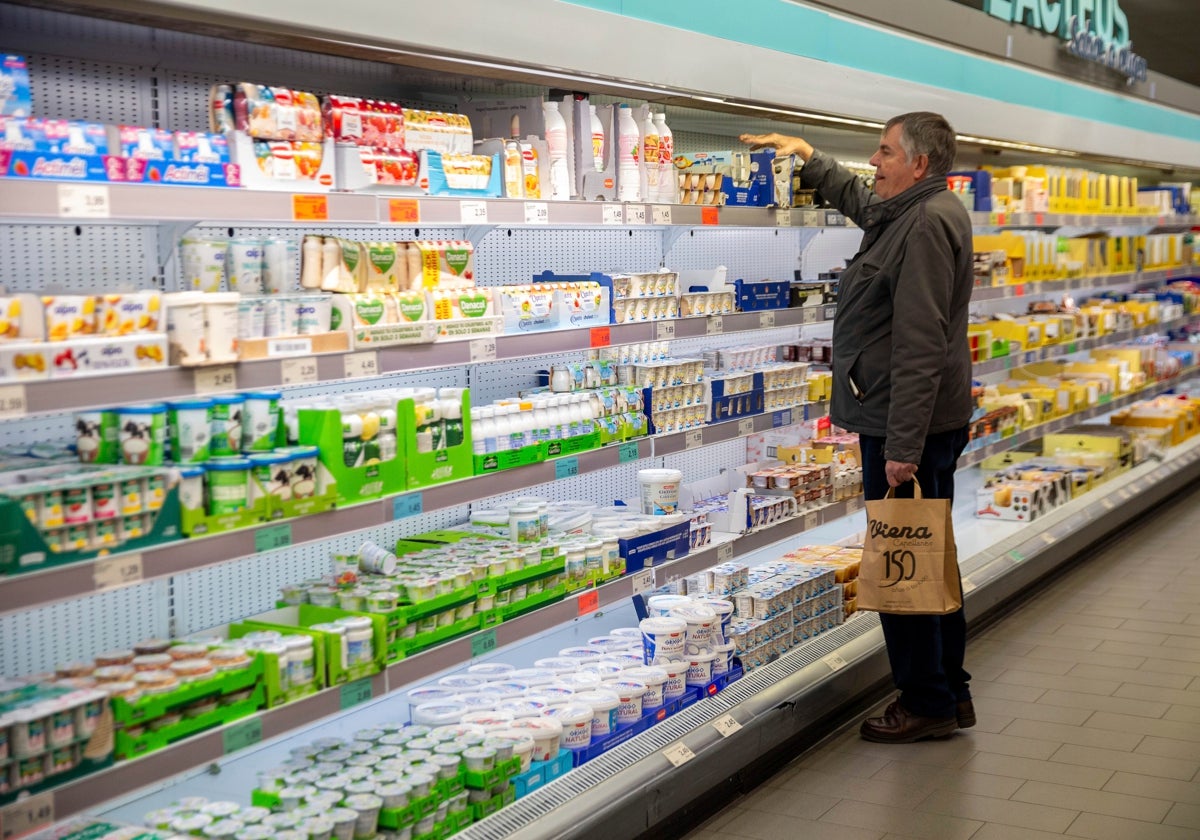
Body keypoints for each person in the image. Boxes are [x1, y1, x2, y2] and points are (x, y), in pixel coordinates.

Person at [741, 112, 974, 743]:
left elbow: (921, 344)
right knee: (931, 554)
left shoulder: (924, 225)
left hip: (908, 425)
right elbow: (867, 204)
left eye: (884, 151)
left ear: (919, 164)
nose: (874, 161)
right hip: (920, 419)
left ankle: (925, 701)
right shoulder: (920, 210)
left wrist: (902, 448)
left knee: (902, 560)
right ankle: (949, 690)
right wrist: (809, 155)